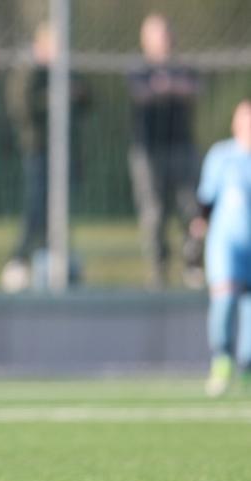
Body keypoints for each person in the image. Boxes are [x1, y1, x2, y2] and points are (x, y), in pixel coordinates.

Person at [1, 22, 89, 292]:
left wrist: (76, 94)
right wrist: (54, 98)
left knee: (60, 209)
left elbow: (87, 98)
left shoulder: (66, 72)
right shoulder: (29, 73)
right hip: (39, 150)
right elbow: (22, 107)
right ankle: (19, 260)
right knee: (37, 207)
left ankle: (54, 259)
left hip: (66, 151)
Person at [127, 13, 204, 290]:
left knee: (190, 207)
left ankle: (192, 264)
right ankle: (159, 269)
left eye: (166, 34)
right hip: (148, 151)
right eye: (157, 35)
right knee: (154, 213)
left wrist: (166, 87)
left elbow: (194, 90)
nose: (163, 40)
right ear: (145, 39)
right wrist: (167, 88)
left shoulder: (183, 66)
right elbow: (141, 93)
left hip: (182, 146)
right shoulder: (138, 68)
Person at [196, 100, 251, 397]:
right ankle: (222, 359)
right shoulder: (221, 156)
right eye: (244, 119)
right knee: (225, 299)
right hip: (227, 243)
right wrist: (197, 231)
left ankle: (247, 367)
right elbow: (206, 200)